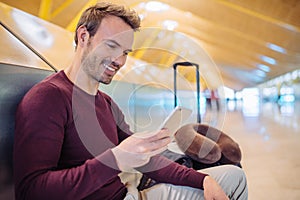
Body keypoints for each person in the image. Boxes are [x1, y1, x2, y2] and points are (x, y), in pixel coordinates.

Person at [13, 2, 248, 200]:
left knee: (232, 176)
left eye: (125, 52)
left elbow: (146, 160)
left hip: (129, 192)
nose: (119, 60)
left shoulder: (105, 102)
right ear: (83, 36)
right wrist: (115, 160)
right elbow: (31, 190)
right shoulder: (49, 98)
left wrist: (202, 179)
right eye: (111, 46)